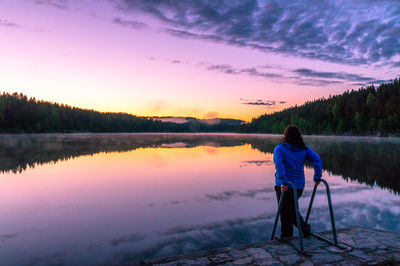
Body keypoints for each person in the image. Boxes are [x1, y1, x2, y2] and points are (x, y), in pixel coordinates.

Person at [273, 125, 322, 238]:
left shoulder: (280, 148)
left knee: (285, 211)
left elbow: (279, 166)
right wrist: (317, 177)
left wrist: (284, 182)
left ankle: (287, 235)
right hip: (299, 186)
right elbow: (317, 160)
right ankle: (303, 228)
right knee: (289, 209)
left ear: (285, 136)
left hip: (284, 185)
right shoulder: (303, 149)